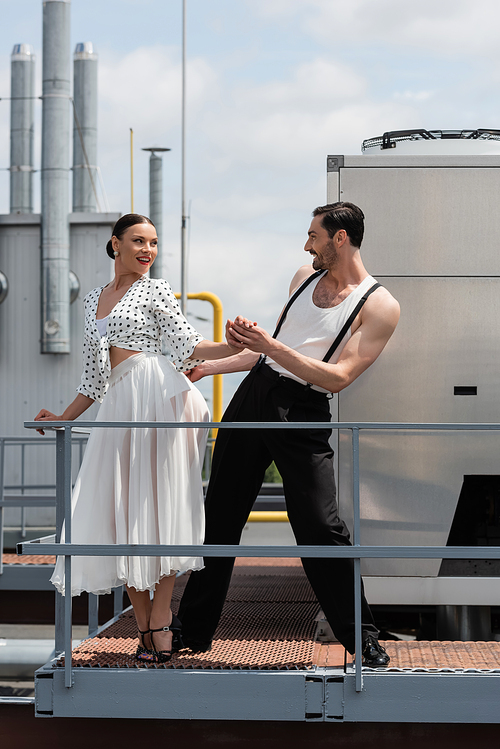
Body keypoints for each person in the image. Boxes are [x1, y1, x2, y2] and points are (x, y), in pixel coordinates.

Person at [178, 202, 400, 666]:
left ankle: (361, 638)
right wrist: (212, 366)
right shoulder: (303, 277)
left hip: (304, 407)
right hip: (255, 395)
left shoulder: (380, 304)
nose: (307, 245)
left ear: (340, 238)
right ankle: (191, 631)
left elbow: (337, 377)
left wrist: (270, 346)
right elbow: (269, 355)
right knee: (219, 515)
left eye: (314, 236)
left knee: (321, 524)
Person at [34, 213, 239, 664]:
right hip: (120, 405)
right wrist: (64, 418)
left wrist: (235, 345)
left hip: (160, 396)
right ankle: (145, 623)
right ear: (115, 245)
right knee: (122, 512)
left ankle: (158, 623)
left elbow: (189, 346)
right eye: (138, 241)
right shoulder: (92, 302)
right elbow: (93, 379)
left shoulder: (155, 290)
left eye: (154, 242)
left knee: (159, 509)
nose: (148, 250)